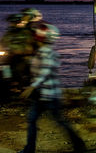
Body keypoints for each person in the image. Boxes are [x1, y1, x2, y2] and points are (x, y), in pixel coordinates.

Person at [19, 23, 86, 153]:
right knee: (33, 120)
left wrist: (32, 87)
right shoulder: (43, 52)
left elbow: (45, 71)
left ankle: (78, 144)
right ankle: (29, 149)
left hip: (49, 95)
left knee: (59, 121)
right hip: (42, 95)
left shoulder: (47, 53)